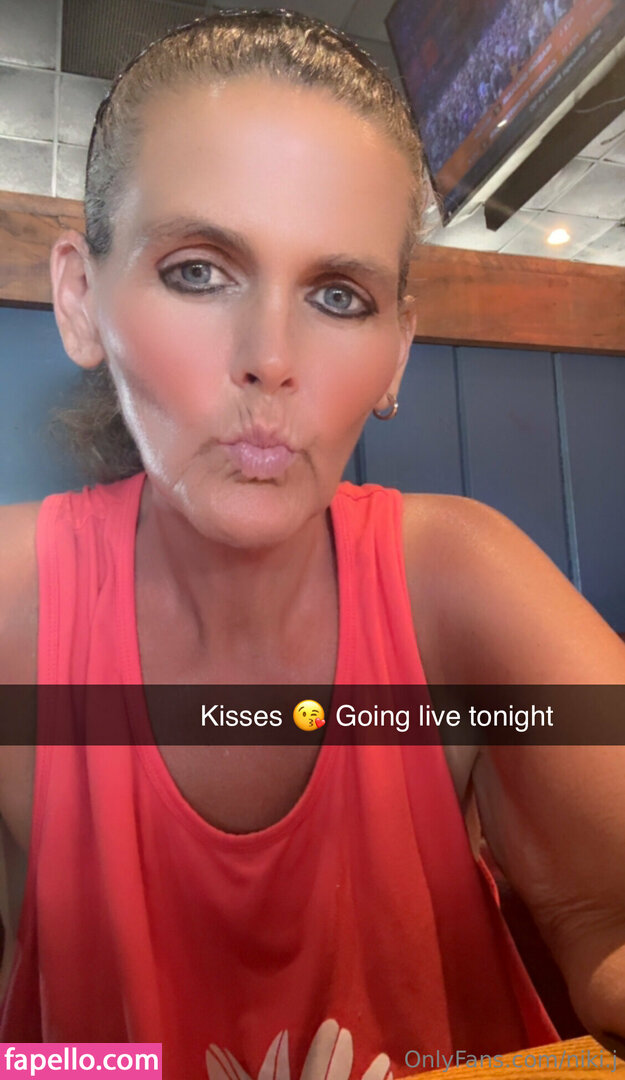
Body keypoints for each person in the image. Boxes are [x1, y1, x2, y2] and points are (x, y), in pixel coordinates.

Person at [0, 8, 624, 1080]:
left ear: (396, 353)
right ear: (81, 299)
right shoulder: (12, 600)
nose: (271, 356)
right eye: (198, 271)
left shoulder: (458, 580)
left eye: (339, 295)